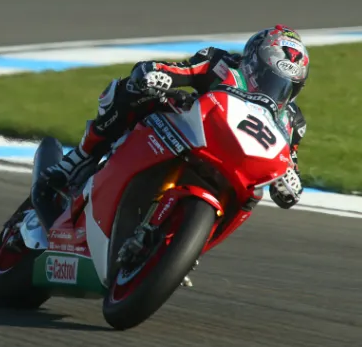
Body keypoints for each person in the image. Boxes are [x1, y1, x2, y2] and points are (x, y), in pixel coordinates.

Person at [39, 25, 310, 211]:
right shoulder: (222, 64)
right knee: (133, 92)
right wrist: (157, 75)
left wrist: (290, 185)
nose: (273, 90)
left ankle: (179, 246)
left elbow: (288, 164)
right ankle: (82, 156)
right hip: (188, 132)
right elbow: (176, 70)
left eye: (284, 85)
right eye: (267, 76)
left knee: (252, 195)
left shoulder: (292, 122)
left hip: (231, 167)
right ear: (252, 61)